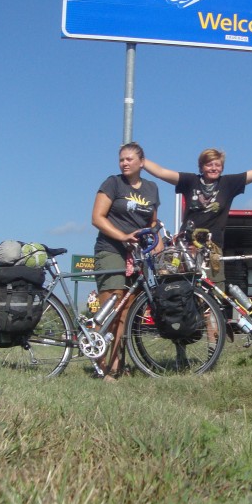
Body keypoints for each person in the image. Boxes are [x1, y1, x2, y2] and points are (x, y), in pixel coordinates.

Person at [143, 145, 252, 290]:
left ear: (222, 167)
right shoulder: (190, 181)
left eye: (217, 165)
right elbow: (162, 172)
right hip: (187, 247)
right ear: (201, 166)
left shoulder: (228, 183)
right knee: (185, 290)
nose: (213, 168)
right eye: (209, 164)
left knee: (215, 291)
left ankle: (215, 323)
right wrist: (140, 160)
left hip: (212, 248)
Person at [91, 142, 161, 381]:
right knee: (111, 305)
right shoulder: (113, 183)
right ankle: (102, 363)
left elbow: (152, 221)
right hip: (111, 248)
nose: (125, 163)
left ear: (142, 162)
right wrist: (122, 236)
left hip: (137, 253)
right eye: (122, 159)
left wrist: (155, 238)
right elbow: (97, 218)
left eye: (129, 159)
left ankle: (116, 362)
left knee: (126, 311)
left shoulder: (151, 188)